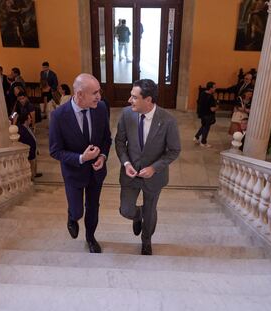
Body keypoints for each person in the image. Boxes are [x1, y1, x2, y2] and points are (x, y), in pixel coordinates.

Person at [115, 79, 181, 255]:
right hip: (130, 173)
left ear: (148, 100)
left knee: (150, 211)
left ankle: (146, 241)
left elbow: (174, 150)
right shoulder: (126, 114)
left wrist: (154, 168)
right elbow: (120, 142)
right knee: (126, 210)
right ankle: (137, 215)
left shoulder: (168, 121)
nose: (130, 100)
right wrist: (126, 162)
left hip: (154, 177)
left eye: (134, 97)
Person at [49, 73, 112, 254]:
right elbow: (55, 151)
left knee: (93, 207)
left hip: (96, 172)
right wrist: (81, 158)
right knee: (78, 212)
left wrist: (103, 156)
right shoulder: (59, 116)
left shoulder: (100, 108)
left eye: (99, 92)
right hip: (73, 173)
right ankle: (72, 217)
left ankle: (91, 238)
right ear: (79, 95)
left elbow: (107, 139)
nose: (99, 97)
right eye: (94, 93)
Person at [17, 112, 41, 180]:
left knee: (34, 165)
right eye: (29, 118)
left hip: (33, 151)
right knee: (31, 167)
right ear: (26, 120)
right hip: (29, 153)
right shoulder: (21, 130)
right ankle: (31, 178)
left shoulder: (27, 127)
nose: (31, 119)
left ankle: (34, 174)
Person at [194, 81, 218, 148]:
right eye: (214, 87)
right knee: (206, 128)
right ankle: (203, 142)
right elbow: (212, 109)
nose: (215, 88)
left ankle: (196, 137)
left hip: (202, 114)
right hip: (208, 115)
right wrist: (217, 106)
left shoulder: (202, 93)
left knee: (203, 126)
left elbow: (199, 102)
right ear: (210, 88)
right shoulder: (211, 97)